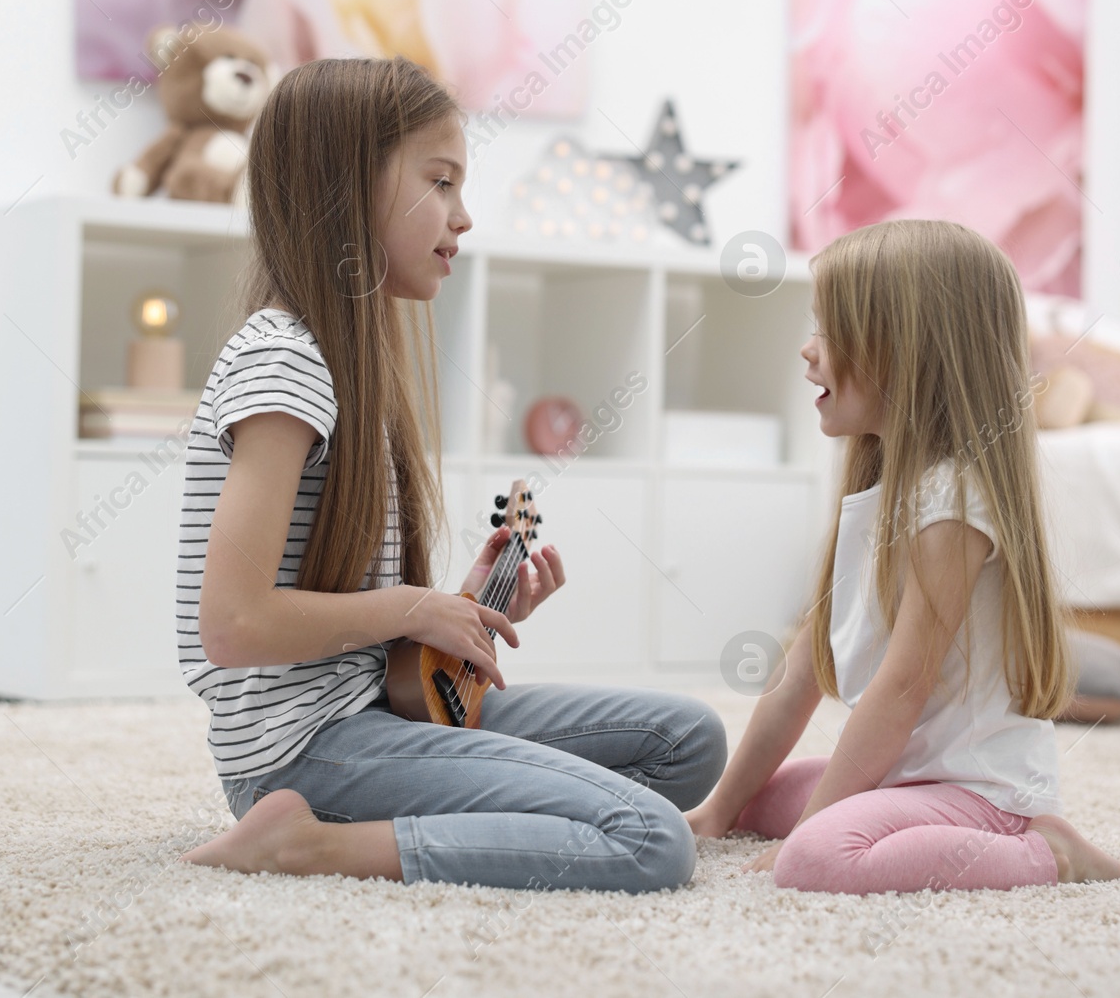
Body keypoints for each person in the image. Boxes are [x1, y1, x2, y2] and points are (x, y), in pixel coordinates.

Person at [177, 56, 725, 893]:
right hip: (306, 752)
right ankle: (306, 841)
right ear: (345, 187)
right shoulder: (283, 361)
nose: (463, 218)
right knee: (649, 840)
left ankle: (474, 812)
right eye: (440, 182)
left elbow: (343, 620)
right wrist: (415, 607)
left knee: (687, 740)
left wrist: (455, 613)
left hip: (368, 711)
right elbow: (234, 624)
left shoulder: (346, 360)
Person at [685, 219, 1120, 895]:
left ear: (909, 352)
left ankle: (1048, 850)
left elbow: (901, 688)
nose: (808, 352)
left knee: (814, 858)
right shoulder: (881, 488)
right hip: (912, 774)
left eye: (830, 333)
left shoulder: (952, 501)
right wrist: (716, 813)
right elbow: (801, 671)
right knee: (753, 802)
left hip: (977, 789)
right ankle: (801, 812)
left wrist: (806, 835)